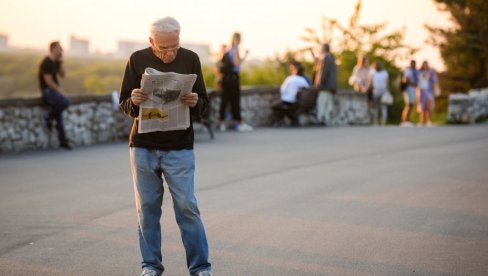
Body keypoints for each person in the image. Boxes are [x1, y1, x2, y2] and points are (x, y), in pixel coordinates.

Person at [119, 17, 212, 276]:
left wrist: (195, 102)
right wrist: (135, 100)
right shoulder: (136, 59)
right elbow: (125, 103)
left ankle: (201, 268)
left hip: (180, 146)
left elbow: (205, 105)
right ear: (151, 42)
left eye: (174, 46)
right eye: (163, 48)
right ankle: (150, 267)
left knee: (187, 207)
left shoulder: (191, 59)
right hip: (143, 147)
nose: (170, 53)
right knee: (147, 209)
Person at [38, 41, 72, 149]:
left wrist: (61, 62)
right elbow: (48, 82)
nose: (61, 50)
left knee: (59, 115)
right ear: (53, 49)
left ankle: (63, 140)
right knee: (65, 102)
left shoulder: (56, 62)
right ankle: (48, 118)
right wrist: (60, 92)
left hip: (54, 92)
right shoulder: (46, 63)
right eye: (59, 48)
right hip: (47, 92)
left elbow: (63, 75)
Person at [218, 32, 253, 132]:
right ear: (238, 39)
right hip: (233, 79)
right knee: (235, 101)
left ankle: (222, 123)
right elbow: (237, 64)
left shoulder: (228, 50)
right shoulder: (236, 49)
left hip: (225, 79)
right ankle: (238, 123)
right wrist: (245, 55)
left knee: (225, 101)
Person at [273, 61, 310, 126]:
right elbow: (307, 88)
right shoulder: (302, 80)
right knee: (288, 109)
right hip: (296, 101)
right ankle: (293, 120)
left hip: (287, 100)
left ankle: (281, 121)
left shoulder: (289, 78)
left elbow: (282, 89)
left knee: (276, 106)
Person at [312, 43, 337, 125]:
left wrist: (318, 84)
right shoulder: (332, 58)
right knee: (328, 103)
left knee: (322, 102)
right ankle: (326, 119)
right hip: (331, 86)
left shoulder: (325, 58)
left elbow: (322, 72)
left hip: (325, 86)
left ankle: (321, 119)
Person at [416, 61, 438, 127]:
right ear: (422, 65)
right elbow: (416, 79)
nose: (425, 66)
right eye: (424, 65)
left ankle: (430, 122)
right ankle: (422, 122)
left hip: (428, 91)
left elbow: (435, 80)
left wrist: (430, 76)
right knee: (422, 107)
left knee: (429, 106)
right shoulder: (419, 72)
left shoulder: (431, 72)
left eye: (426, 65)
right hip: (421, 91)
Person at [369, 62, 389, 126]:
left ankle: (377, 122)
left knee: (377, 107)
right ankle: (380, 122)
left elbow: (371, 82)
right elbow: (387, 83)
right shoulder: (384, 73)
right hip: (379, 90)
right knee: (380, 107)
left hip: (378, 90)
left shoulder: (373, 72)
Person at [400, 60, 418, 126]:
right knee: (409, 104)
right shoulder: (408, 70)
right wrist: (411, 83)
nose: (413, 65)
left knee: (411, 105)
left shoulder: (415, 71)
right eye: (412, 64)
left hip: (413, 89)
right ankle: (405, 120)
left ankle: (406, 120)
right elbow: (405, 80)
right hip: (408, 89)